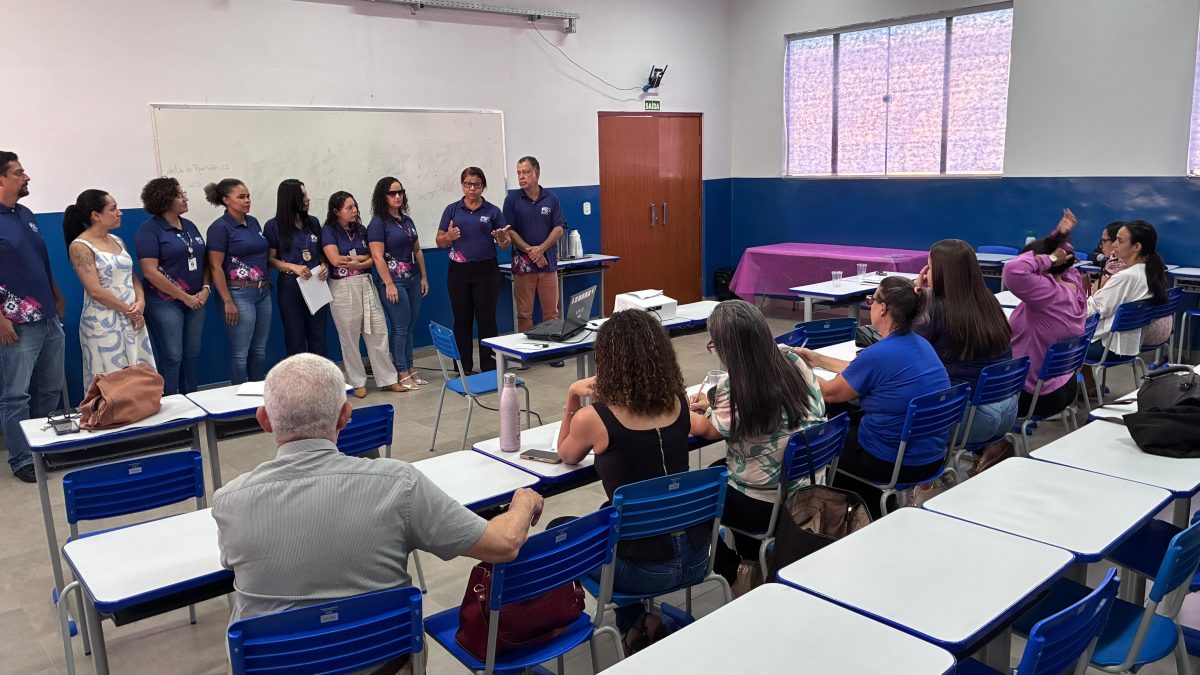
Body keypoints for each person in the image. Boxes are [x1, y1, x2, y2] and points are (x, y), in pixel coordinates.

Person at [212, 354, 544, 674]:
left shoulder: (229, 502)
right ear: (345, 415)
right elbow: (503, 544)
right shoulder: (399, 484)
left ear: (264, 420)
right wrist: (524, 501)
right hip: (385, 665)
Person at [555, 309, 710, 645]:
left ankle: (633, 621)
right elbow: (704, 428)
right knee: (613, 522)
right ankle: (638, 621)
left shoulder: (593, 418)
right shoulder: (677, 403)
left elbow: (566, 454)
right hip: (698, 558)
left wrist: (572, 396)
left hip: (643, 573)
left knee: (562, 529)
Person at [688, 300, 826, 584]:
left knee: (692, 498)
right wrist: (716, 405)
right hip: (808, 487)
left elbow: (708, 430)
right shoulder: (793, 361)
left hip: (768, 504)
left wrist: (678, 407)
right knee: (719, 471)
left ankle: (736, 572)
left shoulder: (734, 387)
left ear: (728, 348)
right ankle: (753, 557)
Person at [797, 276, 950, 516]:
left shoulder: (878, 355)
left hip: (892, 462)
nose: (870, 305)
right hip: (932, 458)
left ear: (883, 308)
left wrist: (794, 366)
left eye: (872, 300)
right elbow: (863, 371)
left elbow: (828, 392)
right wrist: (817, 359)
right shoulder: (921, 345)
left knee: (825, 442)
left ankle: (856, 513)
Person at [0, 151, 66, 483]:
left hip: (47, 316)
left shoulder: (25, 214)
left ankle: (42, 447)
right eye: (19, 172)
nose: (26, 177)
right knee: (16, 395)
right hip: (15, 323)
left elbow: (40, 261)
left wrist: (56, 294)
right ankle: (22, 458)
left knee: (50, 387)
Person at [914, 239, 1014, 446]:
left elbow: (903, 349)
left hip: (970, 418)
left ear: (942, 273)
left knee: (891, 409)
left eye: (930, 268)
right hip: (1007, 408)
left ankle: (927, 468)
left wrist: (916, 299)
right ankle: (988, 451)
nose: (925, 273)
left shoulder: (937, 311)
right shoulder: (989, 301)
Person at [64, 189, 155, 392]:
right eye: (113, 209)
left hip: (132, 316)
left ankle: (140, 406)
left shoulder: (117, 240)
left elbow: (133, 277)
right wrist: (129, 310)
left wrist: (140, 303)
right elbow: (95, 290)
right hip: (103, 321)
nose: (119, 213)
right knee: (110, 375)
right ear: (96, 215)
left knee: (138, 369)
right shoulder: (80, 246)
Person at [1003, 215, 1088, 419]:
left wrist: (1049, 259)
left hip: (1034, 396)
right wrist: (1059, 236)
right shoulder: (1075, 285)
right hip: (1064, 385)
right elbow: (1066, 257)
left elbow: (1013, 269)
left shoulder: (1049, 294)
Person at [322, 191, 405, 397]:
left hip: (366, 282)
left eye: (355, 206)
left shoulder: (360, 229)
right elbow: (335, 260)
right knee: (349, 337)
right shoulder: (329, 231)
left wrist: (359, 262)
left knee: (378, 330)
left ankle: (387, 379)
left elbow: (372, 258)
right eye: (349, 207)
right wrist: (361, 260)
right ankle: (356, 381)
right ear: (336, 211)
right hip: (343, 286)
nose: (354, 210)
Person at [135, 177, 210, 395]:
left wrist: (206, 288)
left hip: (196, 299)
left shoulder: (190, 226)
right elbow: (150, 271)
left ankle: (192, 399)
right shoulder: (150, 230)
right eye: (179, 195)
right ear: (165, 199)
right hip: (164, 302)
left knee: (192, 354)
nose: (185, 198)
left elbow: (204, 261)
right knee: (173, 356)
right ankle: (170, 403)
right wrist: (184, 297)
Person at [435, 167, 512, 374]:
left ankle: (490, 367)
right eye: (468, 184)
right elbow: (440, 241)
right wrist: (448, 237)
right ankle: (463, 368)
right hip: (458, 272)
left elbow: (505, 243)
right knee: (462, 320)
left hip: (486, 271)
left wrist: (502, 238)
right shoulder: (452, 210)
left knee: (487, 319)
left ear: (483, 186)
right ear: (462, 185)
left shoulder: (492, 211)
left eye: (476, 184)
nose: (472, 188)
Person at [1084, 220, 1169, 395]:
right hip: (1129, 347)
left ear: (1137, 246)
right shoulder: (1147, 272)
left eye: (1120, 240)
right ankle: (1086, 390)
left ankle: (1060, 398)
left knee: (1055, 344)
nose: (1114, 245)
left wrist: (1070, 304)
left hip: (1108, 348)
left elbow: (1094, 309)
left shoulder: (1126, 277)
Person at [205, 179, 272, 385]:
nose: (247, 201)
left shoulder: (253, 222)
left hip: (263, 292)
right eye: (241, 197)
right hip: (238, 292)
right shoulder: (220, 228)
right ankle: (239, 396)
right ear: (226, 200)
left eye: (248, 196)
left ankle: (258, 393)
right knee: (240, 352)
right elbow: (215, 266)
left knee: (259, 350)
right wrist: (227, 300)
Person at [503, 156, 566, 367]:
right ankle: (527, 354)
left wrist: (541, 249)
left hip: (548, 265)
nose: (521, 177)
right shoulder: (512, 200)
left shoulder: (551, 198)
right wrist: (531, 251)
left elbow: (558, 228)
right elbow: (509, 231)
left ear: (536, 173)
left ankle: (553, 353)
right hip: (523, 267)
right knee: (524, 314)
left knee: (551, 312)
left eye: (526, 172)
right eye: (518, 173)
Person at [368, 177, 429, 390]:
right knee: (400, 326)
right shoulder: (378, 224)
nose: (397, 196)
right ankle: (401, 370)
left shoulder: (407, 221)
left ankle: (410, 366)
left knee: (410, 326)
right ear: (383, 196)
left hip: (412, 278)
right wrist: (388, 284)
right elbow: (377, 256)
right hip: (394, 281)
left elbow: (417, 250)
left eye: (400, 192)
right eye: (392, 193)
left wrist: (424, 277)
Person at [264, 179, 329, 357]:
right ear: (290, 199)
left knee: (318, 336)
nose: (307, 199)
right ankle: (299, 375)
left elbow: (321, 253)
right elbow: (270, 260)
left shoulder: (313, 222)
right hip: (291, 284)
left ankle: (320, 374)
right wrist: (292, 266)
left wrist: (324, 265)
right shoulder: (273, 226)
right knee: (295, 337)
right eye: (303, 196)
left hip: (316, 282)